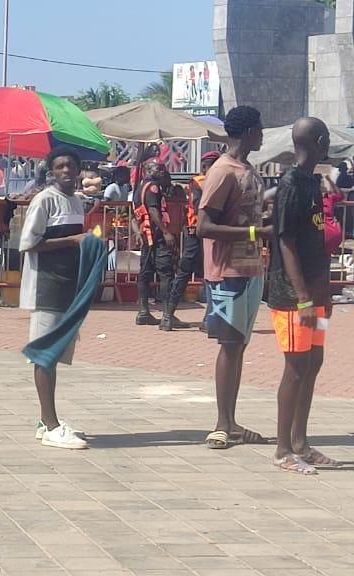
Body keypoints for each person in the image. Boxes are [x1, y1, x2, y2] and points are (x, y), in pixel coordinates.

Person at [197, 105, 270, 450]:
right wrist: (257, 232)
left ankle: (232, 420)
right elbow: (204, 226)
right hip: (227, 273)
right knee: (229, 347)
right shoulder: (222, 171)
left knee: (239, 346)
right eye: (260, 129)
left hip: (251, 269)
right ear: (249, 132)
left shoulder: (248, 169)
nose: (263, 134)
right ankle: (222, 423)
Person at [268, 117, 335, 474]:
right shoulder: (291, 184)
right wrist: (304, 298)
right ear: (321, 141)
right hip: (295, 297)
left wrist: (321, 296)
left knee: (314, 362)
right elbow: (286, 242)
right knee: (295, 367)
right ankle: (282, 450)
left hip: (319, 295)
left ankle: (301, 443)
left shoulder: (312, 182)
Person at [20, 147, 89, 450]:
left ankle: (45, 419)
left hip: (68, 287)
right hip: (45, 286)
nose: (65, 171)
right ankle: (51, 425)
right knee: (44, 356)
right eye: (59, 166)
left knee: (57, 355)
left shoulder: (76, 202)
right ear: (51, 172)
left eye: (70, 165)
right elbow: (29, 243)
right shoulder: (44, 200)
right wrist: (73, 240)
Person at [134, 162, 190, 330]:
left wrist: (138, 232)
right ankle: (167, 315)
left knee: (145, 272)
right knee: (166, 273)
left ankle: (143, 312)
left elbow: (134, 215)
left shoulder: (139, 188)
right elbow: (153, 211)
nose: (163, 171)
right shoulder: (153, 188)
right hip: (156, 236)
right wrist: (166, 232)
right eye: (158, 168)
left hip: (146, 235)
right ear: (148, 171)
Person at [172, 152, 220, 311]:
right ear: (206, 166)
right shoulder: (199, 182)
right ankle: (169, 313)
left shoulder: (217, 181)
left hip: (208, 231)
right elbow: (200, 206)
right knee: (186, 270)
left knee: (209, 271)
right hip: (197, 231)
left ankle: (209, 315)